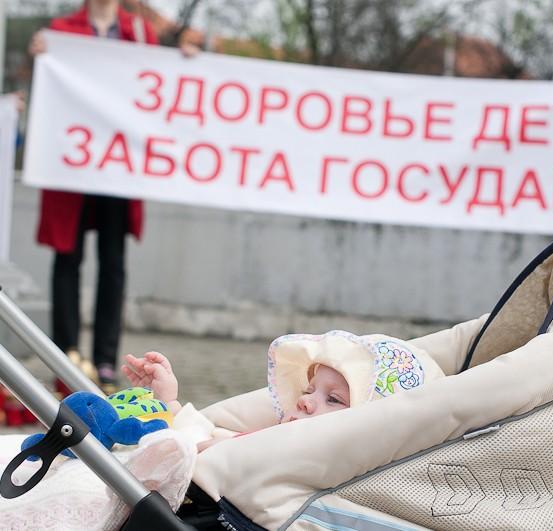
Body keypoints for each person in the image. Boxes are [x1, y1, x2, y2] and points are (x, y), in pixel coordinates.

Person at [28, 0, 197, 395]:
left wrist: (187, 62)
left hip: (117, 169)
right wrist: (39, 58)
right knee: (67, 259)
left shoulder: (140, 33)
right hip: (73, 165)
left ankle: (105, 361)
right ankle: (66, 358)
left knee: (113, 263)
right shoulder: (61, 30)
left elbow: (161, 86)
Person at [121, 330, 446, 451]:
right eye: (310, 390)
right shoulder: (272, 443)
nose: (304, 401)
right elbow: (212, 438)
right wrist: (169, 401)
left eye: (333, 399)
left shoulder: (300, 459)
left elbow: (208, 450)